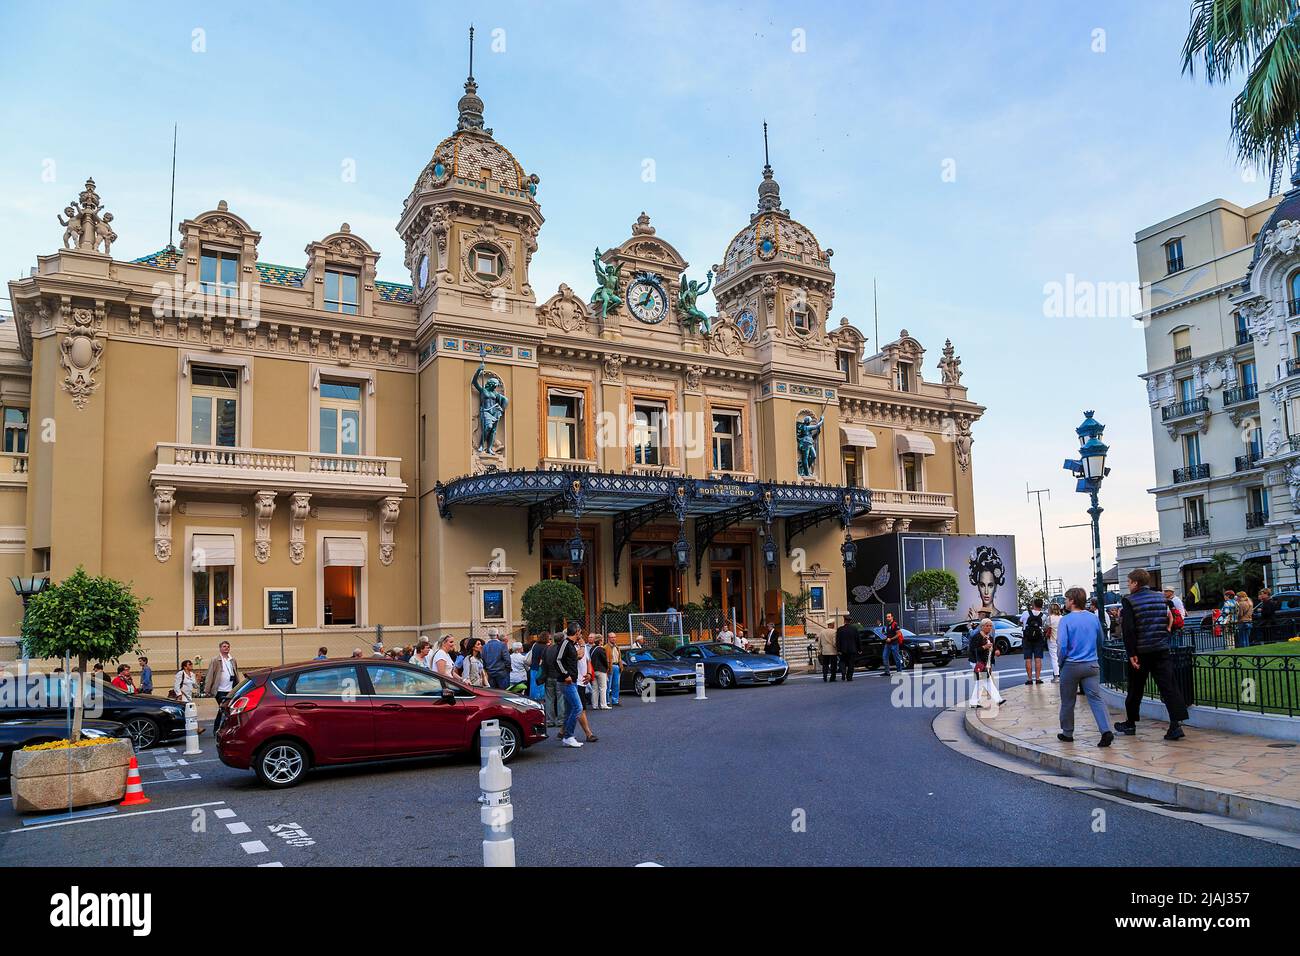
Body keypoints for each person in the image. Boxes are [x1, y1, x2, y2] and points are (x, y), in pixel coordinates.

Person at [1115, 568, 1189, 742]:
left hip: (1141, 651)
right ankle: (1175, 724)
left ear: (1135, 583)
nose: (1128, 585)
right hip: (1161, 648)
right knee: (1169, 686)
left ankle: (1131, 723)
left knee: (1135, 689)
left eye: (1128, 582)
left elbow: (1129, 629)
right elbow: (1167, 618)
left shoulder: (1129, 601)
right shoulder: (1161, 597)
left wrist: (1131, 653)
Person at [1056, 587, 1114, 746]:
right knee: (1096, 698)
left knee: (1068, 701)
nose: (1065, 602)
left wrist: (1061, 663)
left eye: (1067, 599)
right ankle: (1106, 730)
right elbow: (1100, 640)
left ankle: (1067, 732)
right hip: (1091, 664)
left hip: (1071, 665)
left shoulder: (1066, 620)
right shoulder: (1093, 618)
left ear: (1072, 601)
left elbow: (1062, 646)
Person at [551, 623, 597, 746]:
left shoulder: (569, 645)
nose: (581, 635)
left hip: (572, 681)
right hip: (567, 682)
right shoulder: (566, 643)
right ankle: (568, 735)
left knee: (570, 709)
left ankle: (565, 734)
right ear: (576, 632)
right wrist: (566, 675)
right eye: (580, 632)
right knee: (578, 707)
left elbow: (574, 658)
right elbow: (557, 660)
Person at [967, 619, 1005, 709]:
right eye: (987, 626)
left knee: (980, 683)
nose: (989, 627)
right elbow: (973, 650)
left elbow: (994, 647)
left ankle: (973, 702)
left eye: (990, 626)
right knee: (987, 681)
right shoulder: (977, 637)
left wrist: (997, 650)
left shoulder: (990, 637)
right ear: (982, 626)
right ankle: (998, 699)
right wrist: (984, 647)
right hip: (977, 662)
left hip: (985, 663)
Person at [1019, 599, 1048, 684]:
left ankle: (1029, 679)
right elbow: (1043, 626)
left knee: (1028, 659)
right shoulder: (1043, 616)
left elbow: (1020, 622)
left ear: (1033, 604)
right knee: (1038, 659)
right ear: (1041, 605)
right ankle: (1038, 678)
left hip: (1027, 638)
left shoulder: (1025, 613)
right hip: (1038, 639)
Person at [540, 632, 562, 727]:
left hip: (549, 676)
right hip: (559, 677)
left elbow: (543, 663)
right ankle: (561, 720)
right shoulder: (562, 649)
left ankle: (550, 720)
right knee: (560, 698)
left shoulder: (547, 649)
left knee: (549, 699)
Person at [589, 634, 610, 710]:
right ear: (600, 640)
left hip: (593, 671)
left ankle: (594, 705)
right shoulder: (601, 649)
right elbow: (604, 660)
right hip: (601, 670)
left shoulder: (592, 649)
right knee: (603, 688)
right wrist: (607, 668)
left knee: (595, 688)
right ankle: (603, 704)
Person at [835, 616, 860, 681]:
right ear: (850, 621)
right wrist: (859, 649)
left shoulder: (840, 629)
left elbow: (837, 640)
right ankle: (849, 677)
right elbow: (858, 640)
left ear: (844, 621)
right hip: (852, 649)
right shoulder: (854, 629)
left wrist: (838, 649)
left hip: (843, 650)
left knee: (842, 661)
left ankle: (843, 673)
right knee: (851, 663)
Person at [879, 612, 903, 677]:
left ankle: (899, 671)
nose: (887, 618)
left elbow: (899, 634)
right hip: (888, 643)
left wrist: (891, 639)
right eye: (887, 617)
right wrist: (885, 636)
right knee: (884, 657)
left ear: (892, 617)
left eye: (889, 617)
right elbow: (889, 634)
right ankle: (887, 672)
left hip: (894, 643)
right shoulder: (888, 625)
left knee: (896, 657)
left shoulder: (895, 624)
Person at [1045, 602, 1063, 683]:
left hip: (1052, 639)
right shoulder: (1062, 618)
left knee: (1054, 658)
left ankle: (1056, 676)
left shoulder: (1050, 618)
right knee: (1061, 657)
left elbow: (1045, 627)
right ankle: (1062, 674)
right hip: (1061, 639)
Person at [606, 634, 622, 707]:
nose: (613, 639)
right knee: (608, 685)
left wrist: (621, 665)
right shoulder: (606, 647)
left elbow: (619, 658)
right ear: (608, 638)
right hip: (610, 666)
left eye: (614, 637)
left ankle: (615, 700)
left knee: (616, 685)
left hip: (616, 666)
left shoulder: (617, 647)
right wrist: (607, 668)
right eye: (611, 637)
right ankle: (606, 701)